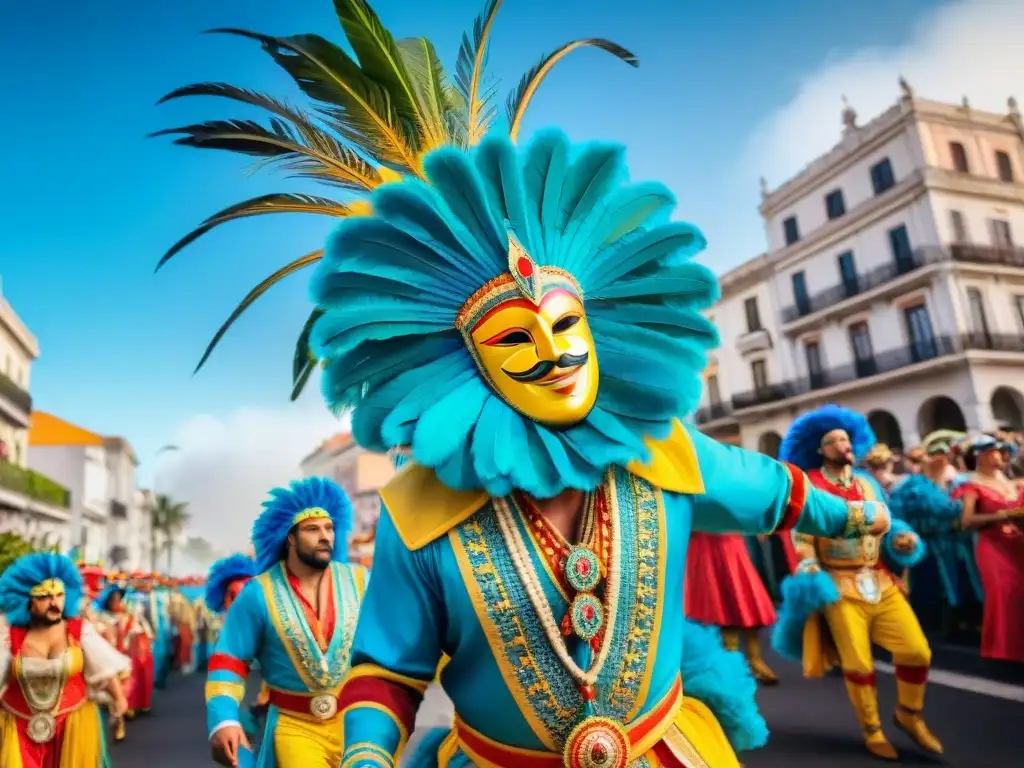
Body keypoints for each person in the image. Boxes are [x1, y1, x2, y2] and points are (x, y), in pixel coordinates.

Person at [309, 130, 890, 768]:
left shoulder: (664, 452)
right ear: (467, 363)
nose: (555, 353)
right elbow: (388, 669)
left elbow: (776, 492)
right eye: (515, 339)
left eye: (564, 324)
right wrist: (365, 754)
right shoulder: (416, 514)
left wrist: (860, 514)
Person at [771, 405, 940, 761]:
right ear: (820, 450)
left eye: (846, 439)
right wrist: (811, 563)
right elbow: (801, 536)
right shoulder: (812, 485)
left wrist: (903, 541)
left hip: (879, 579)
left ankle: (909, 714)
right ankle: (872, 729)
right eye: (833, 441)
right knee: (858, 663)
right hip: (839, 585)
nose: (842, 446)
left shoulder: (866, 482)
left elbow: (888, 522)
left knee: (917, 651)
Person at [206, 477, 366, 768]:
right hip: (295, 728)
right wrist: (224, 719)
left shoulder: (359, 580)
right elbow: (228, 662)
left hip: (356, 724)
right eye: (313, 529)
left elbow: (393, 642)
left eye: (329, 528)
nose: (325, 537)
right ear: (289, 537)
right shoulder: (258, 593)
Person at [0, 552, 131, 767]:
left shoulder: (79, 632)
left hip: (73, 727)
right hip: (18, 730)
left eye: (59, 595)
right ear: (27, 600)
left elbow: (103, 670)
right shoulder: (8, 637)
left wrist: (119, 699)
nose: (54, 603)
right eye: (44, 597)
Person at [951, 434, 1024, 664]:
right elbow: (966, 520)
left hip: (1017, 543)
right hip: (992, 545)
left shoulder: (1011, 481)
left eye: (1003, 451)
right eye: (995, 451)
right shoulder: (971, 484)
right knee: (1005, 592)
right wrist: (1001, 515)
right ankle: (1006, 650)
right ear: (980, 456)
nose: (1002, 455)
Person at [685, 530, 780, 684]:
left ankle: (751, 662)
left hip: (727, 543)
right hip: (706, 544)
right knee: (722, 609)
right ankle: (736, 666)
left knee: (744, 605)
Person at [96, 581, 155, 739]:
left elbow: (142, 631)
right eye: (113, 599)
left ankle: (124, 715)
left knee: (125, 686)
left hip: (127, 657)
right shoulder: (102, 618)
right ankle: (117, 718)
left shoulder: (129, 615)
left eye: (118, 598)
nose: (116, 602)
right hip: (108, 657)